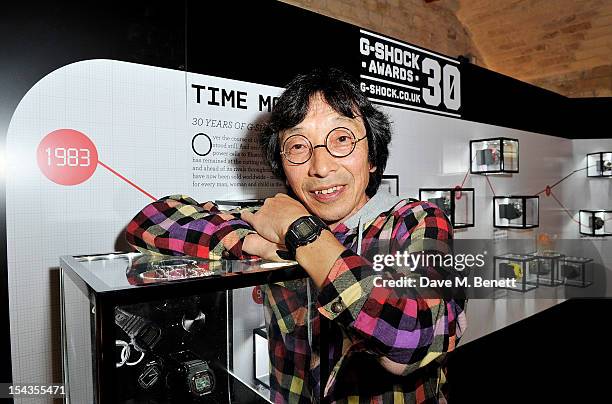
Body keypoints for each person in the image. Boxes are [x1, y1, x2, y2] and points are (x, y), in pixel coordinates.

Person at [126, 67, 467, 403]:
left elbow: (415, 339)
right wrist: (253, 242)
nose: (321, 166)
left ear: (372, 156)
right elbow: (150, 223)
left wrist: (300, 231)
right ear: (283, 165)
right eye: (299, 147)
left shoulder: (417, 220)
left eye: (342, 139)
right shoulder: (273, 223)